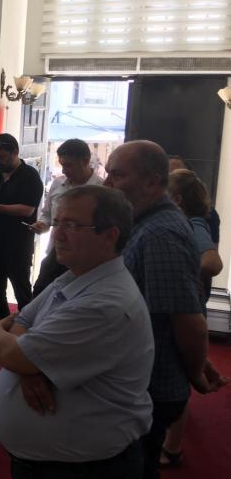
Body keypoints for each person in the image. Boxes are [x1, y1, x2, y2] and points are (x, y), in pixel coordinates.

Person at [0, 185, 154, 478]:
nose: (57, 235)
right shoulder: (75, 276)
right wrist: (28, 368)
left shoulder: (106, 304)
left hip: (83, 469)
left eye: (73, 225)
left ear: (110, 236)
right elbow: (22, 321)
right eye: (57, 223)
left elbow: (12, 351)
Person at [104, 140, 228, 479]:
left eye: (117, 175)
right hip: (141, 377)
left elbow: (187, 320)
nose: (107, 182)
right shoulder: (146, 222)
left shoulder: (161, 233)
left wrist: (195, 371)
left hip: (151, 384)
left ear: (152, 182)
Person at [159, 168, 224, 467]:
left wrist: (182, 271)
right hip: (188, 307)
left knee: (179, 378)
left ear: (177, 198)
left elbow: (212, 262)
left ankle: (172, 449)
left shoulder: (194, 223)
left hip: (188, 309)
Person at [0, 133, 43, 348]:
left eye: (2, 157)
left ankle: (27, 336)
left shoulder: (30, 176)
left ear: (15, 153)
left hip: (18, 244)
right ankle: (3, 333)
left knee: (22, 292)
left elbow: (27, 210)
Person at [30, 138, 104, 296]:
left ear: (85, 161)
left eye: (68, 165)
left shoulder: (101, 190)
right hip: (55, 253)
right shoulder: (58, 183)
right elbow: (47, 214)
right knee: (40, 293)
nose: (64, 171)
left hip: (85, 258)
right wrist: (42, 225)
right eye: (62, 165)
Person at [168, 154, 221, 244]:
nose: (172, 178)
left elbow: (211, 249)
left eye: (178, 174)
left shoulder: (206, 217)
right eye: (169, 174)